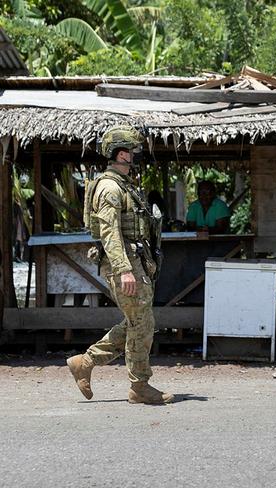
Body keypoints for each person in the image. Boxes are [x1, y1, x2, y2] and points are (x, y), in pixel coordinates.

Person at [66, 126, 173, 404]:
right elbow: (109, 232)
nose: (135, 156)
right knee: (141, 322)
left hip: (135, 261)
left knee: (138, 321)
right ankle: (139, 387)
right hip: (124, 264)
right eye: (133, 152)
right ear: (122, 153)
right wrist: (124, 269)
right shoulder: (110, 187)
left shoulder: (123, 185)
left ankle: (85, 362)